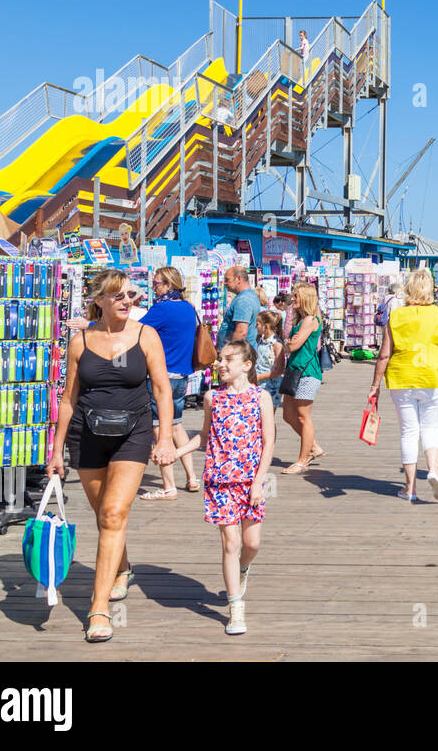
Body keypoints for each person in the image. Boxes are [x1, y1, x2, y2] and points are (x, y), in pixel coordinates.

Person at [46, 269, 175, 643]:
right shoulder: (79, 341)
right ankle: (122, 566)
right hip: (86, 435)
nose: (125, 301)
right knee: (105, 515)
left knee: (114, 513)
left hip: (132, 433)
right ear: (99, 300)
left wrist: (163, 439)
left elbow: (163, 391)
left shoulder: (145, 336)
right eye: (116, 295)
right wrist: (56, 450)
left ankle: (98, 606)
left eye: (130, 295)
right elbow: (68, 400)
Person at [173, 341, 274, 635]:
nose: (221, 364)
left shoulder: (261, 398)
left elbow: (269, 442)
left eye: (229, 359)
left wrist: (259, 481)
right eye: (220, 359)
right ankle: (235, 607)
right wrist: (174, 453)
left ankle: (244, 568)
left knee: (251, 544)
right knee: (230, 543)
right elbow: (203, 438)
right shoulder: (212, 398)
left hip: (250, 480)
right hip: (219, 480)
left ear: (247, 365)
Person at [369, 268, 438, 502]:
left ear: (408, 289)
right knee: (431, 428)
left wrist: (375, 385)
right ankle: (433, 471)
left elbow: (383, 355)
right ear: (429, 289)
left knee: (408, 432)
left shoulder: (397, 316)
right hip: (432, 377)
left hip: (402, 377)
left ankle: (410, 489)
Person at [137, 266, 201, 500]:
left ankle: (168, 486)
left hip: (160, 376)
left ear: (169, 285)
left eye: (157, 283)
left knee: (160, 428)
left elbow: (135, 330)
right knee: (176, 425)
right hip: (182, 375)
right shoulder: (188, 308)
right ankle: (192, 477)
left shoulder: (162, 309)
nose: (154, 287)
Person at [280, 282, 324, 474]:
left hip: (307, 372)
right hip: (294, 370)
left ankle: (303, 459)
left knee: (303, 416)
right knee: (288, 415)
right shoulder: (301, 320)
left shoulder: (310, 320)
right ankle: (313, 446)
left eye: (296, 296)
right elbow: (290, 342)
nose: (293, 299)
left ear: (305, 298)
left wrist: (288, 342)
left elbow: (293, 346)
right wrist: (289, 342)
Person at [218, 266, 261, 349]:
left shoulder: (243, 300)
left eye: (227, 280)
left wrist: (232, 353)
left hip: (240, 355)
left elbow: (241, 332)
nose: (225, 283)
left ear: (238, 279)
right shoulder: (249, 295)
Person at [255, 310, 285, 408]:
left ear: (266, 326)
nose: (256, 327)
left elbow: (279, 370)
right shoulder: (261, 340)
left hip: (271, 386)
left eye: (258, 324)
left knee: (268, 418)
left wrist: (259, 377)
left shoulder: (276, 344)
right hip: (258, 384)